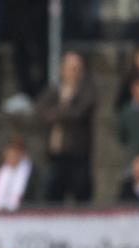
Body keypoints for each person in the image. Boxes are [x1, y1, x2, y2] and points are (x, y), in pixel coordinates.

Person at [36, 52, 97, 203]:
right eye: (70, 68)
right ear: (62, 70)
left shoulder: (87, 91)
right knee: (52, 198)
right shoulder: (54, 91)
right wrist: (65, 111)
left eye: (77, 68)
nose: (73, 73)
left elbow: (79, 113)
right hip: (55, 155)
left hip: (78, 156)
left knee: (82, 198)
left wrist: (57, 112)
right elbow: (41, 109)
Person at [0, 136, 38, 211]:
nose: (10, 158)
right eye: (8, 156)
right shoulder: (2, 172)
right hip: (0, 210)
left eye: (13, 155)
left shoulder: (31, 172)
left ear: (20, 154)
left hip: (23, 211)